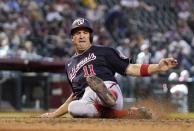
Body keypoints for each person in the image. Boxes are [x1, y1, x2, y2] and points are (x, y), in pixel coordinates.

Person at [41, 18, 177, 118]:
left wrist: (158, 67)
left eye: (85, 32)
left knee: (96, 87)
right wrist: (54, 114)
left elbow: (131, 68)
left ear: (90, 36)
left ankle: (106, 95)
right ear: (72, 38)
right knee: (73, 108)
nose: (81, 35)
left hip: (108, 86)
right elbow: (75, 95)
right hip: (89, 101)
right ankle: (128, 113)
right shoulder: (69, 65)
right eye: (77, 33)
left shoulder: (104, 51)